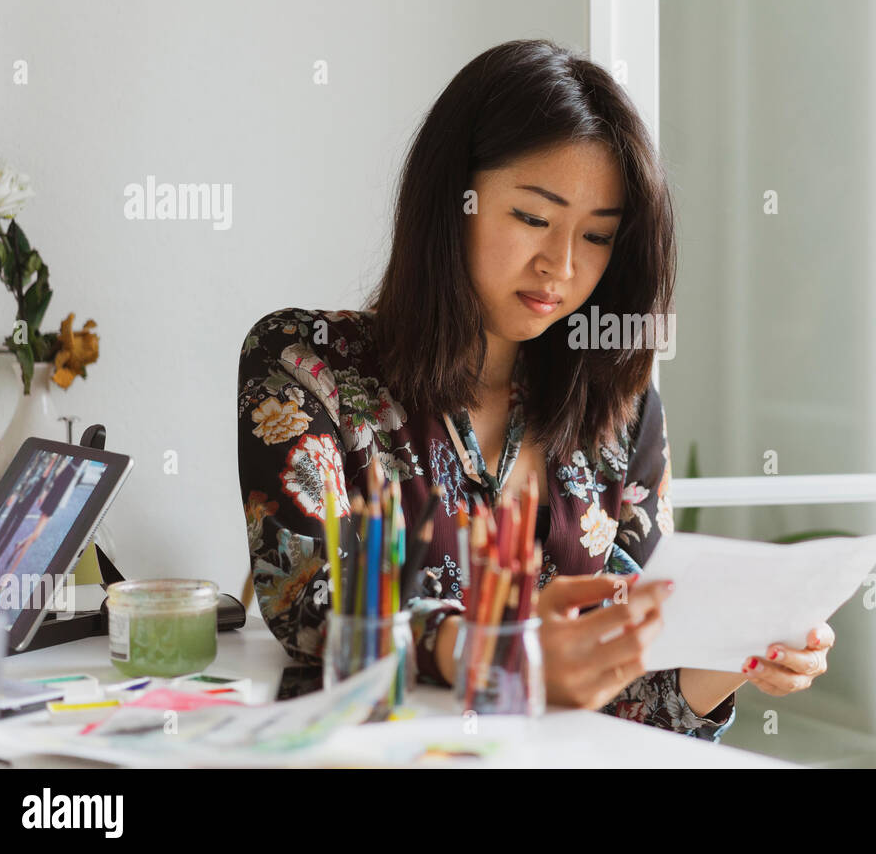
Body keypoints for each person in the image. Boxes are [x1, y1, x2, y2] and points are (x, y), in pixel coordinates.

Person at [235, 38, 834, 742]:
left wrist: (738, 651)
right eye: (532, 218)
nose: (562, 265)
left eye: (599, 237)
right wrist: (494, 650)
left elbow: (635, 694)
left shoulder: (623, 411)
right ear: (451, 196)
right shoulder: (306, 364)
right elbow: (306, 598)